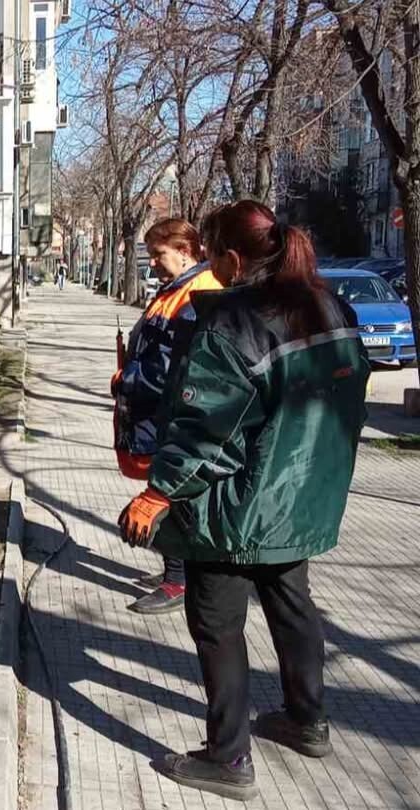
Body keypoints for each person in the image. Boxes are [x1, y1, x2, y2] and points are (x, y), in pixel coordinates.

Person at [118, 201, 370, 801]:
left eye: (211, 254)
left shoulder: (236, 323)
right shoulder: (329, 305)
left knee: (217, 624)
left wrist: (157, 493)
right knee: (292, 606)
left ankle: (229, 759)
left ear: (231, 258)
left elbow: (211, 428)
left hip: (233, 507)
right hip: (303, 496)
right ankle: (307, 721)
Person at [112, 218, 221, 614]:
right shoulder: (177, 290)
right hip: (159, 414)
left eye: (158, 255)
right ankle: (174, 571)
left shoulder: (197, 296)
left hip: (173, 417)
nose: (152, 264)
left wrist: (127, 381)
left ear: (185, 251)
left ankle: (179, 581)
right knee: (165, 491)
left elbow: (169, 368)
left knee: (170, 495)